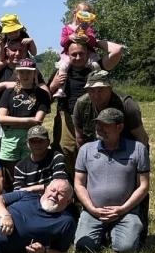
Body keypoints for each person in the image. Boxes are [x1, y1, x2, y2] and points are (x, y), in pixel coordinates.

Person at [73, 108, 150, 253]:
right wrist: (92, 208)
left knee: (126, 249)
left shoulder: (138, 149)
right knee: (84, 248)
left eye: (105, 125)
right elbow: (79, 184)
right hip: (93, 212)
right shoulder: (85, 150)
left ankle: (116, 232)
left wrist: (122, 209)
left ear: (119, 127)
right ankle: (105, 233)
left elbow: (144, 185)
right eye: (98, 124)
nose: (99, 128)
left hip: (126, 212)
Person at [48, 38, 121, 175]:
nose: (78, 57)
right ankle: (70, 184)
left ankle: (94, 179)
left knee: (96, 149)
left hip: (94, 116)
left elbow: (117, 50)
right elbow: (46, 98)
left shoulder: (96, 67)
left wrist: (92, 39)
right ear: (67, 55)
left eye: (81, 53)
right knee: (66, 150)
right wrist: (54, 85)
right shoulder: (61, 71)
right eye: (73, 54)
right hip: (67, 117)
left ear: (88, 53)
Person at [0, 59, 51, 189]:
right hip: (10, 138)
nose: (25, 75)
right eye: (22, 72)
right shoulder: (9, 92)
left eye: (29, 72)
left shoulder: (42, 94)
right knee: (9, 174)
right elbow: (1, 118)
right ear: (17, 73)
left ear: (34, 74)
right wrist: (27, 121)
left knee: (30, 169)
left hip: (31, 138)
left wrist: (14, 120)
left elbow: (38, 121)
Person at [55, 1, 125, 96]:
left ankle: (98, 83)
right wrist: (69, 37)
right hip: (67, 54)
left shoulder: (89, 29)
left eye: (87, 15)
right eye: (82, 14)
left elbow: (93, 42)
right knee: (63, 67)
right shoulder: (67, 28)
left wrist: (87, 39)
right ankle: (60, 90)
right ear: (75, 13)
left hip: (89, 54)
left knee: (96, 65)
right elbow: (62, 42)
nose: (84, 18)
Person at [72, 70, 149, 147]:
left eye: (101, 90)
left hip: (125, 151)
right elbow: (80, 138)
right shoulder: (81, 104)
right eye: (91, 90)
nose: (96, 96)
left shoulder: (126, 105)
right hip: (95, 152)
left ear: (110, 88)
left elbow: (141, 138)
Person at [12, 125, 69, 191]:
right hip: (30, 199)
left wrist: (31, 189)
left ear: (48, 142)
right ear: (27, 144)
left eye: (40, 141)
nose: (37, 144)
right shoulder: (20, 167)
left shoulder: (57, 157)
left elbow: (60, 184)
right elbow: (18, 191)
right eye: (33, 141)